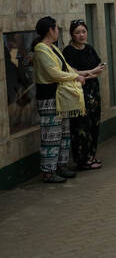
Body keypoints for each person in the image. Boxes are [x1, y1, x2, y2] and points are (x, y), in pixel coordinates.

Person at [33, 17, 89, 184]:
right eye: (56, 28)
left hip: (60, 97)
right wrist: (75, 76)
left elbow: (65, 66)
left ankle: (61, 165)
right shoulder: (41, 49)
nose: (58, 31)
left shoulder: (53, 48)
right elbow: (54, 73)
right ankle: (48, 171)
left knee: (63, 133)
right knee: (51, 134)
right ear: (51, 30)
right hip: (49, 98)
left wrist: (83, 74)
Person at [63, 19, 106, 169]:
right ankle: (82, 160)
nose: (81, 35)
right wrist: (91, 72)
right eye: (77, 32)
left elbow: (99, 68)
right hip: (78, 92)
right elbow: (70, 72)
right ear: (72, 35)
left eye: (83, 31)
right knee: (81, 125)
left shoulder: (89, 49)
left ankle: (91, 156)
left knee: (94, 123)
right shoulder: (68, 51)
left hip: (93, 91)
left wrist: (89, 74)